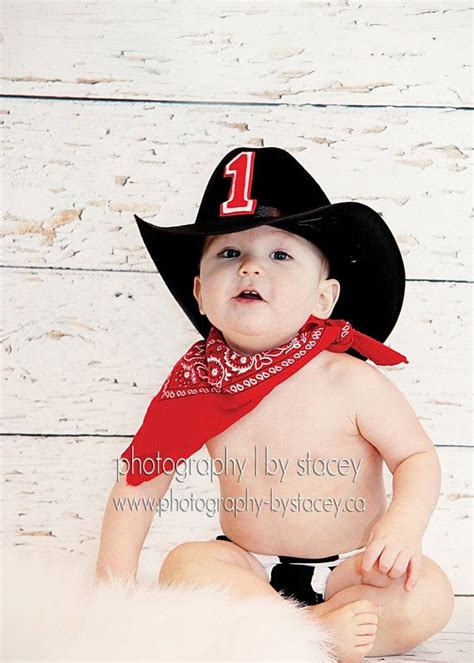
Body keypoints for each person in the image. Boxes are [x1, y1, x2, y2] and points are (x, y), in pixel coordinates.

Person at [96, 147, 454, 662]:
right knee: (185, 566)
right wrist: (114, 592)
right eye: (228, 254)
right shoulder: (197, 386)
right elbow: (140, 483)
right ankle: (313, 630)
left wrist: (403, 525)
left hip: (352, 571)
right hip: (248, 567)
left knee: (430, 596)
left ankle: (290, 629)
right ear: (199, 292)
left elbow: (416, 457)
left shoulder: (349, 380)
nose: (250, 269)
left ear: (323, 299)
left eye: (280, 255)